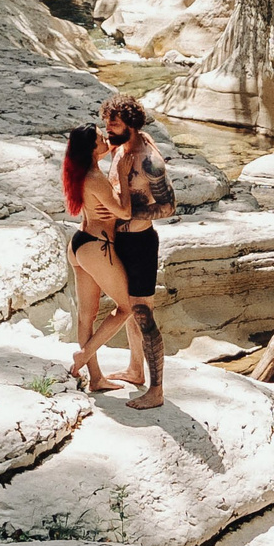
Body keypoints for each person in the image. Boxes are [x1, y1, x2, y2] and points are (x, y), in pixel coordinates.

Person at [99, 94, 175, 408]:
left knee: (143, 314)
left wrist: (129, 214)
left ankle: (156, 391)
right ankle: (135, 370)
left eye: (113, 124)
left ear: (130, 125)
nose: (107, 130)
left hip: (140, 244)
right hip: (118, 241)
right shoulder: (121, 145)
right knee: (127, 306)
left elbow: (169, 206)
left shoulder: (149, 161)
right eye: (106, 123)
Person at [59, 124, 136, 393]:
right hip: (97, 247)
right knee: (127, 306)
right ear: (92, 148)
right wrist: (123, 177)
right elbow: (124, 212)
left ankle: (96, 379)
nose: (106, 138)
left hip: (79, 245)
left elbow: (107, 149)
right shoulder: (94, 176)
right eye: (101, 138)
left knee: (86, 317)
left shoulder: (81, 172)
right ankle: (84, 354)